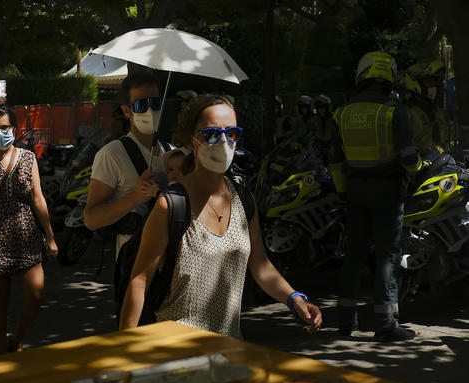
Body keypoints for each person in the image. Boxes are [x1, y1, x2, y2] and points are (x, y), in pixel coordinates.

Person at [119, 94, 322, 337]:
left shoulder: (243, 199)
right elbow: (139, 281)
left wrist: (294, 298)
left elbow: (260, 265)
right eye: (211, 134)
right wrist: (126, 347)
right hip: (175, 352)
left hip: (228, 351)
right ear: (192, 139)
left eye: (232, 133)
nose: (223, 141)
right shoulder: (171, 206)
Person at [330, 51, 423, 341]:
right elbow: (409, 157)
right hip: (388, 190)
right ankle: (386, 325)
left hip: (355, 190)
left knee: (354, 256)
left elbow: (334, 160)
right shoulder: (395, 111)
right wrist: (419, 169)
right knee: (387, 256)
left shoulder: (341, 113)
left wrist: (343, 191)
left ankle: (345, 322)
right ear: (388, 77)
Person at [0, 105, 58, 354]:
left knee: (36, 294)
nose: (0, 132)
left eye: (5, 127)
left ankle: (16, 340)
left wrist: (49, 235)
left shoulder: (28, 158)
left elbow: (38, 198)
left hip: (26, 235)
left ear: (14, 129)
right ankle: (2, 351)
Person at [84, 72, 169, 256]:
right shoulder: (111, 154)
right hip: (133, 262)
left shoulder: (171, 153)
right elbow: (91, 219)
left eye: (155, 103)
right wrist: (135, 198)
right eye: (141, 105)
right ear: (126, 111)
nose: (150, 110)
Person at [403, 60, 451, 148]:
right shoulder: (408, 113)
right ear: (415, 84)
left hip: (440, 158)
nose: (434, 86)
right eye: (429, 82)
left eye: (435, 82)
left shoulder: (437, 110)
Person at [313, 94, 335, 163]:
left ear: (328, 107)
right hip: (318, 151)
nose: (321, 110)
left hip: (331, 151)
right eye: (319, 108)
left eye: (323, 107)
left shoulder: (334, 119)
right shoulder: (316, 120)